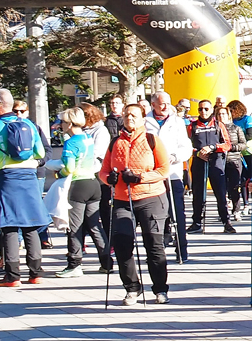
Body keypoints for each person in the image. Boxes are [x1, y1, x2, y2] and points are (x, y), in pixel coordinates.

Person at [101, 100, 171, 305]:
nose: (129, 118)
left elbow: (163, 170)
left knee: (154, 245)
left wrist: (140, 177)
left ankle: (160, 288)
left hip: (151, 198)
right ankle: (132, 288)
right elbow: (104, 171)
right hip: (123, 199)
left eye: (134, 115)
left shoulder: (152, 140)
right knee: (122, 244)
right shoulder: (115, 142)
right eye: (126, 115)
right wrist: (109, 180)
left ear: (142, 119)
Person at [0, 89, 49, 287]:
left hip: (8, 177)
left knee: (8, 224)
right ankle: (36, 273)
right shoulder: (28, 124)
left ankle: (12, 276)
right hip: (29, 177)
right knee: (31, 224)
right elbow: (40, 152)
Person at [54, 107, 112, 278]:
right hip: (93, 183)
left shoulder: (71, 142)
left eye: (63, 122)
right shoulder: (87, 138)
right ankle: (107, 262)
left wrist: (59, 173)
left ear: (70, 123)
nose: (61, 125)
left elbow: (70, 168)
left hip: (78, 185)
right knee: (95, 225)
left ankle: (74, 263)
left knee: (74, 226)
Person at [147, 91, 191, 262]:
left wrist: (174, 156)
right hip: (153, 175)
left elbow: (185, 147)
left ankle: (182, 250)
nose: (165, 107)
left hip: (172, 173)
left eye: (167, 103)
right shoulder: (145, 122)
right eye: (161, 104)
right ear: (153, 105)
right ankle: (156, 249)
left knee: (177, 213)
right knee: (154, 214)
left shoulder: (177, 122)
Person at [187, 98, 243, 234]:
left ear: (212, 110)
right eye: (200, 109)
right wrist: (197, 153)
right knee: (198, 193)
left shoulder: (218, 125)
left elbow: (227, 144)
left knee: (220, 192)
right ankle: (196, 222)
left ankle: (226, 222)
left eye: (206, 109)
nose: (203, 111)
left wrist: (213, 147)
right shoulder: (192, 126)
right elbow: (186, 145)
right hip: (199, 161)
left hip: (216, 161)